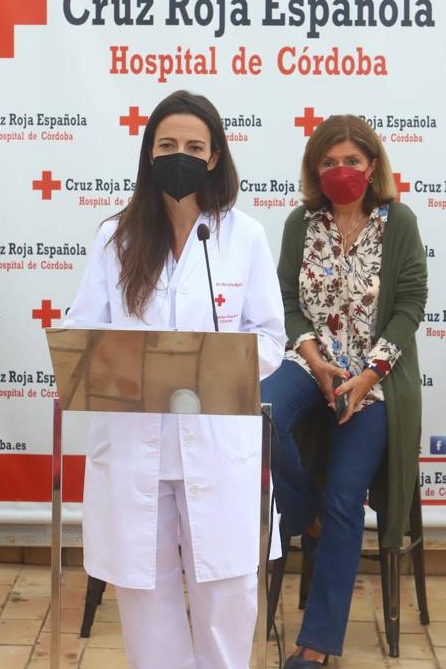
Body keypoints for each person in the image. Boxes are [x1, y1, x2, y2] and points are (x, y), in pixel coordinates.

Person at [64, 90, 285, 669]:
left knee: (227, 598)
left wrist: (213, 361)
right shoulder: (117, 235)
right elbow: (83, 330)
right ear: (149, 153)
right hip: (138, 447)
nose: (179, 155)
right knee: (145, 599)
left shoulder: (245, 237)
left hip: (216, 447)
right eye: (167, 145)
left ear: (214, 157)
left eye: (193, 146)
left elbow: (270, 339)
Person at [261, 114, 428, 667]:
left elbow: (409, 308)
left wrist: (369, 374)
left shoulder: (397, 221)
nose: (340, 171)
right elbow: (287, 300)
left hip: (375, 381)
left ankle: (318, 641)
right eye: (328, 162)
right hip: (310, 363)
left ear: (372, 165)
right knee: (262, 414)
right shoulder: (300, 224)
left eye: (351, 161)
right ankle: (301, 507)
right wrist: (313, 356)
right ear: (314, 170)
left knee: (345, 499)